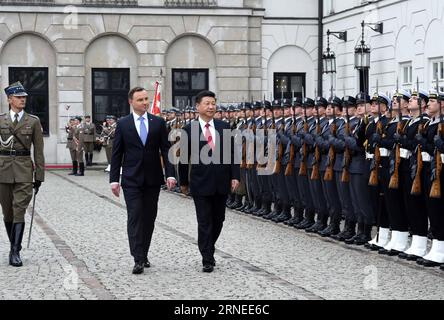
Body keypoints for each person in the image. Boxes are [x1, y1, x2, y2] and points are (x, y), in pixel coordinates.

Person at [110, 87, 176, 275]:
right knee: (135, 216)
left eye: (146, 99)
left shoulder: (158, 123)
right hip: (131, 179)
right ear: (131, 102)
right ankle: (137, 258)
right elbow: (117, 154)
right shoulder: (123, 124)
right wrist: (114, 179)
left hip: (153, 178)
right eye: (140, 100)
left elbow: (166, 150)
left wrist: (170, 174)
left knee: (149, 218)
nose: (145, 102)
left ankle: (144, 252)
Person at [179, 90, 240, 273]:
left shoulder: (224, 126)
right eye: (207, 103)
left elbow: (232, 154)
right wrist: (184, 182)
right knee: (204, 221)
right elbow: (183, 158)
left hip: (221, 182)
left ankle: (208, 246)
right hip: (200, 182)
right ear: (198, 107)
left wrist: (235, 175)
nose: (211, 107)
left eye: (213, 103)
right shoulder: (188, 129)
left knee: (218, 220)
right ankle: (207, 257)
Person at [0, 81, 45, 267]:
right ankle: (13, 245)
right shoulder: (1, 120)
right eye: (19, 97)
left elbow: (39, 151)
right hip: (2, 170)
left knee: (19, 210)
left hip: (25, 170)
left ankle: (14, 251)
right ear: (10, 99)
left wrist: (39, 176)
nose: (23, 100)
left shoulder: (33, 121)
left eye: (24, 97)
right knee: (8, 212)